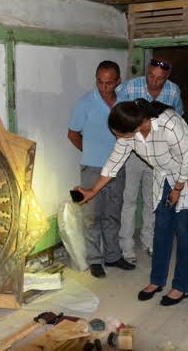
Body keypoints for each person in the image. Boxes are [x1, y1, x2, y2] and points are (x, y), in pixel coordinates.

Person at [77, 99, 188, 306]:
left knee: (185, 229)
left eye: (119, 134)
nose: (117, 138)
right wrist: (92, 191)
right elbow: (113, 164)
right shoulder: (128, 135)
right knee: (162, 227)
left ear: (135, 126)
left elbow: (187, 157)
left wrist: (177, 189)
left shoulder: (168, 124)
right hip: (165, 171)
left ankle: (180, 286)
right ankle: (157, 281)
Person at [68, 60, 136, 278]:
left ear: (118, 82)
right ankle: (95, 260)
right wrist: (89, 152)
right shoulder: (85, 103)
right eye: (99, 82)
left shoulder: (124, 103)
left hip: (117, 168)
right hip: (92, 168)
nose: (104, 87)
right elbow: (72, 134)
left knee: (113, 214)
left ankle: (113, 256)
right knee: (92, 216)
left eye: (109, 83)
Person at [115, 58, 184, 263]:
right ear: (146, 72)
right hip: (133, 154)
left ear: (167, 77)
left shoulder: (173, 91)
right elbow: (117, 116)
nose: (154, 82)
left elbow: (178, 119)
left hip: (157, 155)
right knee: (129, 200)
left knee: (152, 200)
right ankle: (126, 247)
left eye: (160, 79)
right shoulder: (130, 87)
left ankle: (149, 241)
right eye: (151, 76)